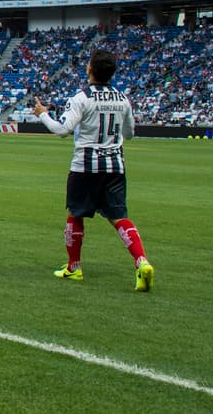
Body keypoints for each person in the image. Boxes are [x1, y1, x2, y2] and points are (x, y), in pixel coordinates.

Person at [32, 48, 155, 291]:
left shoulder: (81, 98)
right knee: (119, 216)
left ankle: (74, 267)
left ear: (90, 69)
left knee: (75, 214)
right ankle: (141, 261)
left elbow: (62, 130)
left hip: (85, 167)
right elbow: (129, 134)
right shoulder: (123, 99)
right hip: (115, 166)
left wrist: (43, 115)